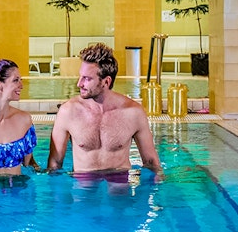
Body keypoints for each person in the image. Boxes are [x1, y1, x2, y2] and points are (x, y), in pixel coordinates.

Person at [47, 42, 162, 176]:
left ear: (106, 82)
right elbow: (54, 164)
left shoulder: (133, 112)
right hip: (84, 189)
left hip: (119, 190)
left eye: (87, 79)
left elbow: (151, 162)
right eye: (80, 76)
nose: (79, 84)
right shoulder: (68, 112)